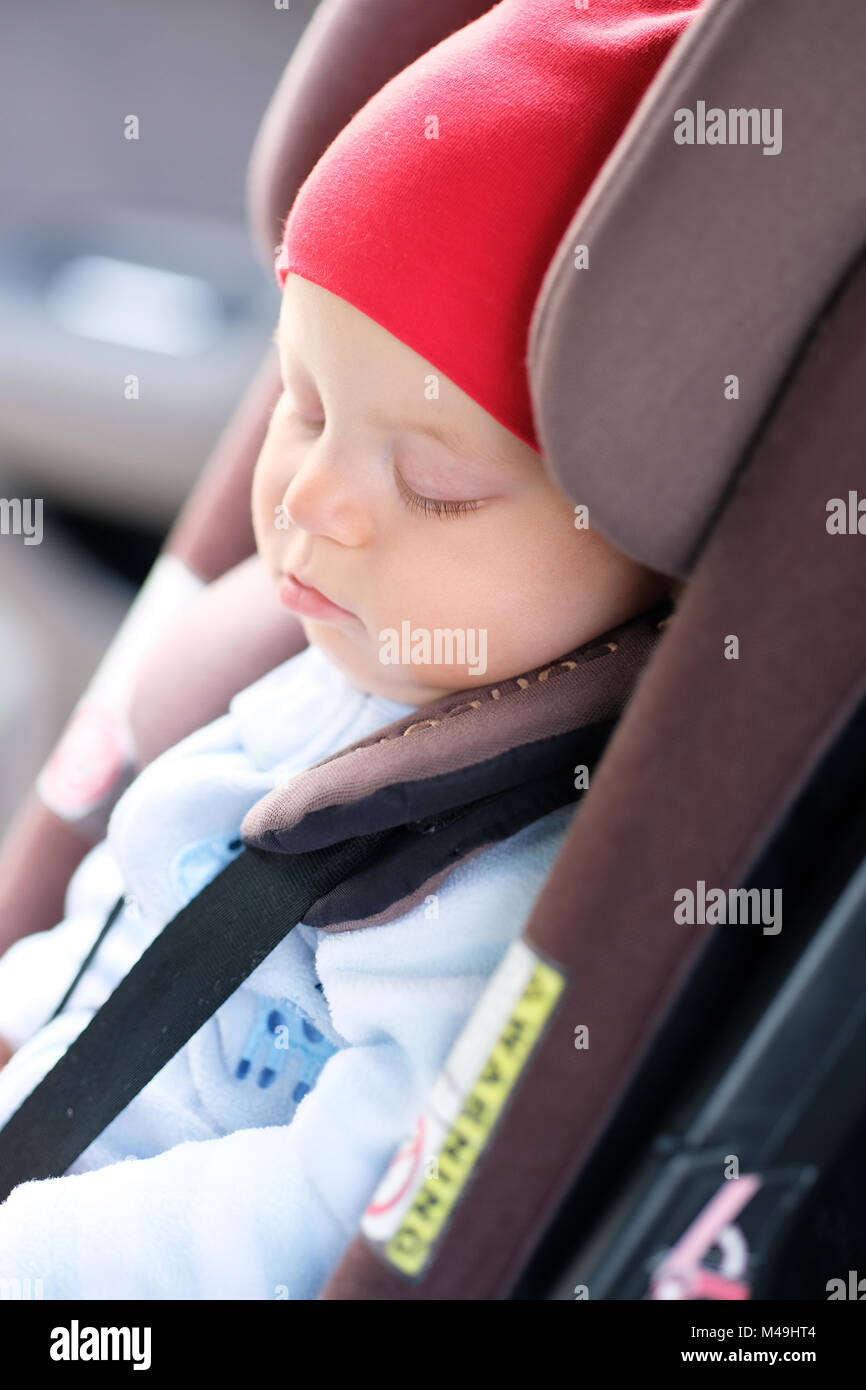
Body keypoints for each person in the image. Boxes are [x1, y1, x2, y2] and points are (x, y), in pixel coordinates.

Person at [0, 0, 701, 1297]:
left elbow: (336, 1208)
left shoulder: (494, 874)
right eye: (304, 403)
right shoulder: (334, 668)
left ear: (649, 547)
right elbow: (124, 929)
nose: (312, 501)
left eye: (434, 481)